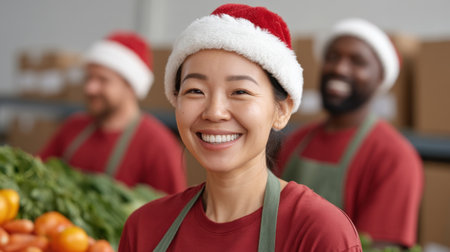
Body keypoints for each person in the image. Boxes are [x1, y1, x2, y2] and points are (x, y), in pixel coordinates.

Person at [119, 4, 362, 252]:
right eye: (195, 91)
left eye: (239, 92)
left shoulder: (320, 234)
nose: (214, 111)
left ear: (282, 111)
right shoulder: (145, 227)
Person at [277, 18, 423, 248]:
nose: (339, 68)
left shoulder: (394, 157)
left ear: (380, 79)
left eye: (357, 62)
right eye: (333, 57)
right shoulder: (295, 141)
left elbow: (378, 248)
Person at [38, 31, 187, 194]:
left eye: (103, 80)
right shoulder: (73, 128)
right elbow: (39, 174)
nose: (90, 88)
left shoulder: (159, 147)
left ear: (130, 86)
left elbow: (172, 214)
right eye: (88, 78)